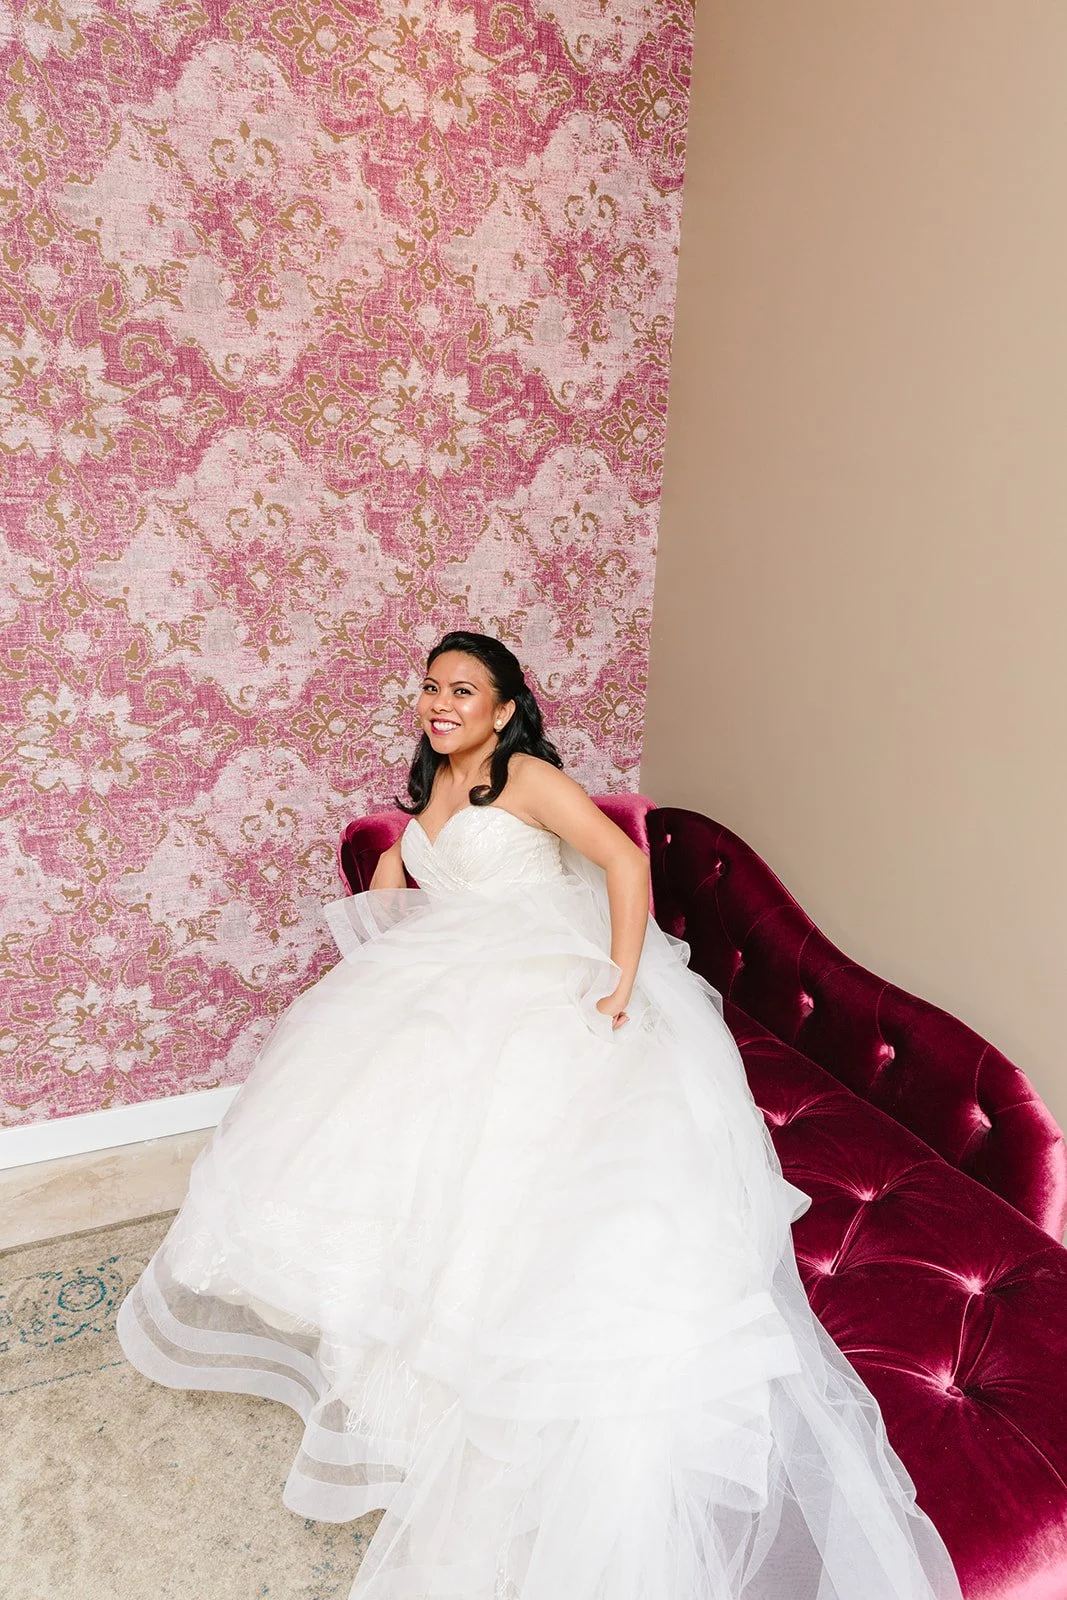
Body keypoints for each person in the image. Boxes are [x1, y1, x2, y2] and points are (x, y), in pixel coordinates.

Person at [117, 630, 964, 1600]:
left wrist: (615, 978)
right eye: (431, 688)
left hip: (544, 972)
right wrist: (396, 876)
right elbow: (400, 895)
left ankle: (487, 1383)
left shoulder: (523, 779)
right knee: (375, 1149)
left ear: (506, 706)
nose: (440, 704)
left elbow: (620, 861)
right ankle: (399, 1390)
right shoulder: (431, 791)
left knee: (515, 1158)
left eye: (462, 690)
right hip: (454, 978)